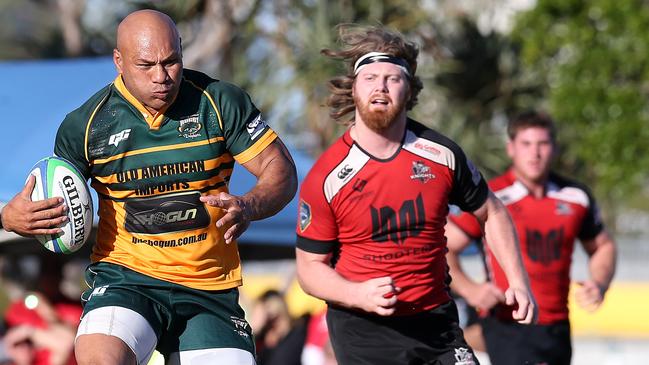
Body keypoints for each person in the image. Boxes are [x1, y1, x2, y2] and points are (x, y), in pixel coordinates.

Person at [1, 9, 297, 365]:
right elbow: (57, 199)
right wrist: (10, 216)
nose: (162, 77)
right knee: (100, 359)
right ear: (119, 61)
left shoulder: (219, 103)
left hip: (209, 288)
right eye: (146, 65)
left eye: (171, 62)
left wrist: (250, 204)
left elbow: (280, 170)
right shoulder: (86, 125)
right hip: (127, 278)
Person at [294, 24, 536, 365]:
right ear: (354, 89)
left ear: (409, 89)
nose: (380, 86)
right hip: (364, 330)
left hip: (436, 324)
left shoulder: (442, 155)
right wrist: (357, 293)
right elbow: (309, 268)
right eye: (370, 77)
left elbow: (491, 211)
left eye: (393, 78)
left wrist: (518, 281)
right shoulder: (327, 176)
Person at [445, 110, 617, 365]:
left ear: (554, 149)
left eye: (543, 144)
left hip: (557, 326)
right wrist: (470, 289)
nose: (535, 153)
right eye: (526, 144)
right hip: (508, 322)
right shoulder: (491, 198)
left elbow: (603, 245)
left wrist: (600, 283)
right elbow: (442, 247)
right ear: (511, 148)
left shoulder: (576, 196)